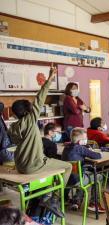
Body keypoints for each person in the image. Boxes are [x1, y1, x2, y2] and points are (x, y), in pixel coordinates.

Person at [8, 65, 72, 218]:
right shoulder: (31, 119)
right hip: (34, 165)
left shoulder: (12, 127)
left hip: (20, 165)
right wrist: (50, 79)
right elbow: (40, 97)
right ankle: (53, 199)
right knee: (68, 166)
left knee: (48, 167)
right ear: (28, 111)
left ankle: (45, 196)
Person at [62, 127, 104, 212]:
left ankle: (76, 201)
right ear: (80, 141)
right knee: (98, 177)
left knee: (83, 174)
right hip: (77, 180)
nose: (86, 140)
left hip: (66, 179)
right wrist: (89, 150)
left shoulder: (66, 148)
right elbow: (98, 156)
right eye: (85, 138)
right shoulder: (81, 148)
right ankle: (93, 204)